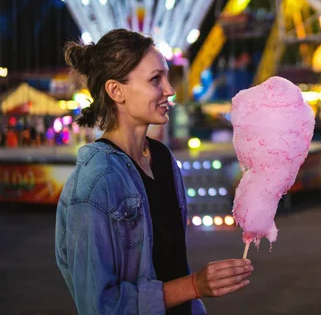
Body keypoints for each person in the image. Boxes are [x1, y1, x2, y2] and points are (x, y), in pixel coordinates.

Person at [55, 29, 253, 315]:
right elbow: (100, 305)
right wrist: (195, 286)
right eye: (155, 80)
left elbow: (170, 261)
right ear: (116, 91)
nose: (170, 90)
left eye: (167, 77)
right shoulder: (95, 182)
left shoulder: (162, 158)